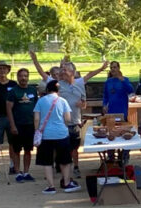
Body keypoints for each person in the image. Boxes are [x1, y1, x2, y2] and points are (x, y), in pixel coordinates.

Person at [29, 50, 104, 179]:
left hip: (75, 122)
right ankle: (58, 170)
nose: (62, 72)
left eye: (65, 70)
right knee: (60, 149)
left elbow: (89, 80)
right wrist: (35, 60)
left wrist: (102, 68)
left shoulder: (80, 83)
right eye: (62, 70)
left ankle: (75, 167)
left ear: (73, 72)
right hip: (60, 124)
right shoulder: (56, 84)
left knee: (74, 148)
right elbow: (43, 74)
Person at [33, 80, 82, 194]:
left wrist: (37, 130)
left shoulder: (41, 101)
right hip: (61, 134)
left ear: (47, 90)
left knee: (47, 162)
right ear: (58, 90)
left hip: (45, 135)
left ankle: (51, 186)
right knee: (65, 160)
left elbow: (36, 119)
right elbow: (68, 119)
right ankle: (66, 183)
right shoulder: (63, 101)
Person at [7, 68, 39, 183]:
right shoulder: (13, 91)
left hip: (30, 124)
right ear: (17, 77)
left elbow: (37, 108)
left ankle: (26, 172)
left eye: (25, 76)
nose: (23, 78)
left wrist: (37, 125)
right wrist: (12, 125)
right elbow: (9, 109)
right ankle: (17, 172)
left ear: (28, 77)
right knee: (16, 150)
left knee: (28, 150)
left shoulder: (33, 90)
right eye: (21, 76)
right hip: (18, 124)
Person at [0, 61, 16, 177]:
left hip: (11, 117)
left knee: (12, 143)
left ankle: (12, 165)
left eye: (4, 68)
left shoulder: (13, 84)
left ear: (8, 70)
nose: (2, 71)